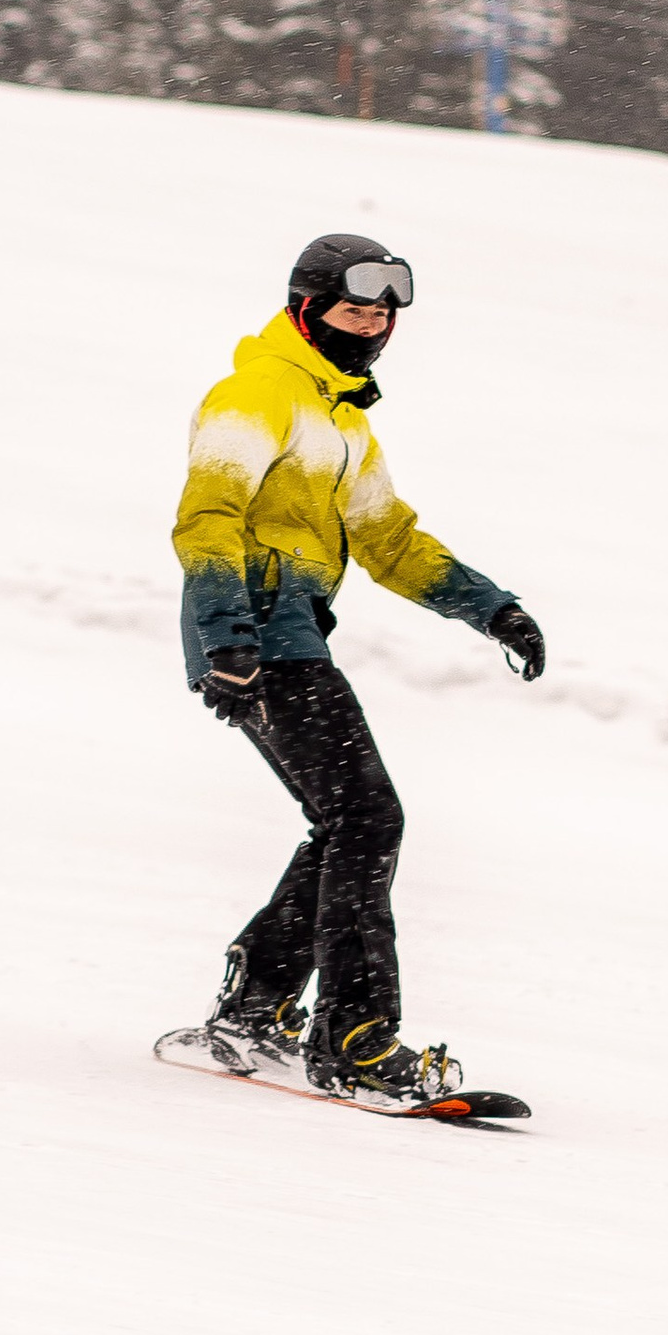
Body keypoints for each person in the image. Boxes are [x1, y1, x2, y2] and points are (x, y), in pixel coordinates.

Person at [171, 230, 545, 1105]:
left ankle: (255, 1008)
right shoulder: (258, 393)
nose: (371, 326)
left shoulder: (341, 420)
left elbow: (388, 539)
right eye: (353, 309)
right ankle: (356, 1040)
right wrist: (230, 636)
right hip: (256, 636)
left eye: (383, 315)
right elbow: (208, 516)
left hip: (288, 630)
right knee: (367, 819)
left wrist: (491, 606)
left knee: (348, 822)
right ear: (307, 310)